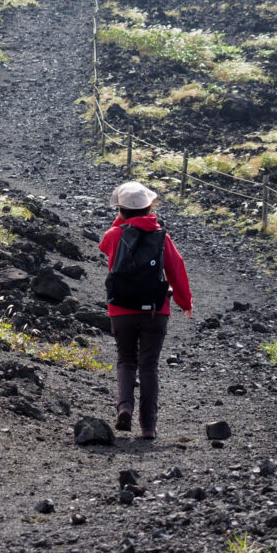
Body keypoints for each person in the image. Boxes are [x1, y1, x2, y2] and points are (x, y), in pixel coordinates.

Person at [99, 181, 192, 440]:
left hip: (120, 309)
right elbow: (177, 270)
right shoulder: (162, 238)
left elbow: (106, 246)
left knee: (126, 361)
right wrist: (185, 302)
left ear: (121, 210)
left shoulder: (114, 235)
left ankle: (124, 406)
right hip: (155, 310)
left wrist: (121, 223)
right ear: (150, 208)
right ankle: (148, 427)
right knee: (149, 366)